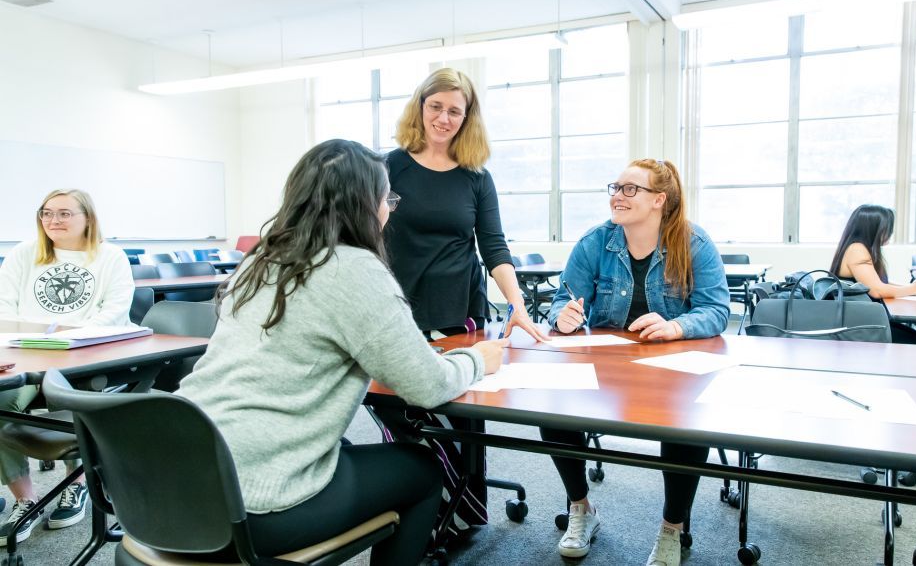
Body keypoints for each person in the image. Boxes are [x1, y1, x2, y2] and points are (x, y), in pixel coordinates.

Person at [176, 139, 507, 565]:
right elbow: (426, 387)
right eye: (387, 197)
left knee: (349, 446)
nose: (390, 209)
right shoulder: (353, 268)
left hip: (175, 483)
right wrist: (479, 359)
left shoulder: (260, 260)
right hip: (255, 504)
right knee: (422, 469)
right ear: (366, 204)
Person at [545, 159, 730, 566]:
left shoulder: (694, 243)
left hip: (676, 367)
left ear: (658, 200)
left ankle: (672, 528)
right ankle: (581, 508)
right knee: (554, 409)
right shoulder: (595, 242)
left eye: (630, 189)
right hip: (610, 367)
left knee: (685, 425)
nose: (617, 195)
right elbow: (563, 299)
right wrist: (564, 316)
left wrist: (677, 326)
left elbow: (717, 311)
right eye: (615, 186)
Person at [0, 189, 133, 544]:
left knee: (70, 395)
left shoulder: (110, 257)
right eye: (46, 213)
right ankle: (25, 499)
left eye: (63, 214)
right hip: (27, 353)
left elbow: (115, 312)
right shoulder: (24, 254)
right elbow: (4, 308)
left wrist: (71, 338)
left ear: (87, 217)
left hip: (83, 355)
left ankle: (75, 486)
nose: (53, 221)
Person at [384, 67, 545, 342]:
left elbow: (494, 247)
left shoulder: (477, 177)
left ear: (467, 117)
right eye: (435, 106)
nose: (443, 118)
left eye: (454, 111)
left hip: (459, 310)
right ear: (420, 106)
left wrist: (517, 304)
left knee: (467, 385)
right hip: (395, 306)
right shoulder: (388, 168)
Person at [829, 204, 916, 299]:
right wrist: (913, 289)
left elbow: (879, 282)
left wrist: (910, 287)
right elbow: (877, 291)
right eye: (887, 229)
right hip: (855, 313)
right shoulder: (857, 249)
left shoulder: (861, 248)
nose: (890, 233)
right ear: (873, 229)